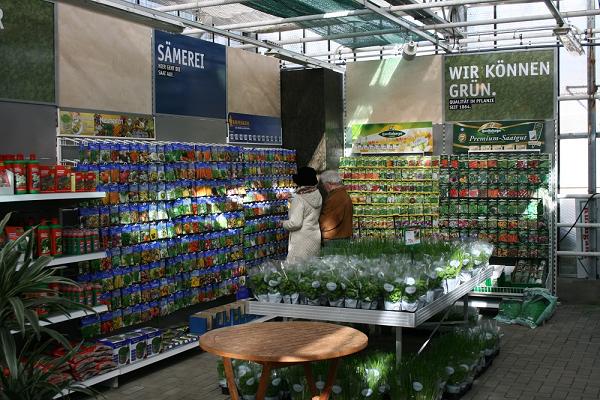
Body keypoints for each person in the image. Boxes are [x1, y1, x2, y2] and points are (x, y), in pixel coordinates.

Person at [282, 166, 323, 262]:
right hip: (314, 236)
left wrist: (283, 223)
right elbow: (307, 206)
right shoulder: (317, 194)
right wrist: (293, 200)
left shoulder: (299, 199)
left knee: (296, 268)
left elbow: (295, 223)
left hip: (301, 241)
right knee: (311, 267)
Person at [319, 170, 353, 242]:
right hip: (340, 236)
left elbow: (328, 222)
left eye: (324, 185)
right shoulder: (341, 194)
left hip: (335, 238)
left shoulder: (336, 197)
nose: (324, 188)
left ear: (328, 184)